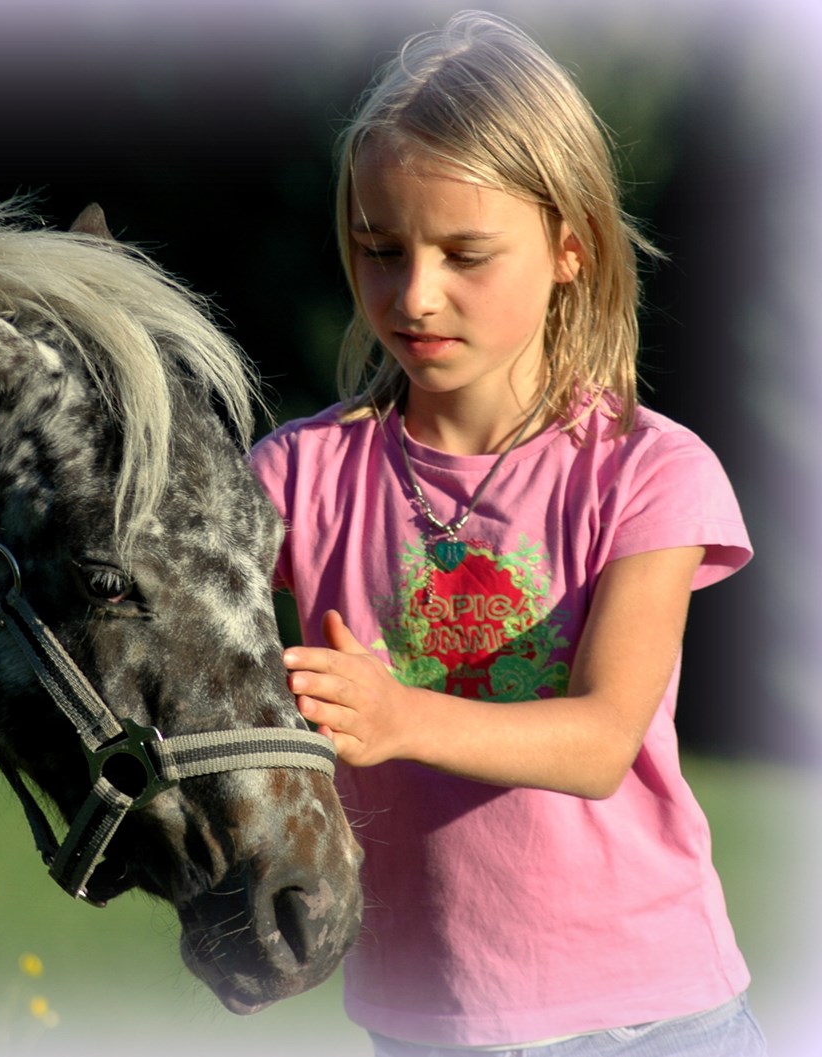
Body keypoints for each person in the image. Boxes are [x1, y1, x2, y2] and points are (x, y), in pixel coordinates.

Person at [249, 11, 766, 1056]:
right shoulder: (295, 475)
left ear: (568, 246)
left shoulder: (648, 471)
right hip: (417, 1023)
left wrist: (397, 717)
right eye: (378, 249)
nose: (414, 293)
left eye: (463, 253)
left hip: (652, 1020)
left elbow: (598, 739)